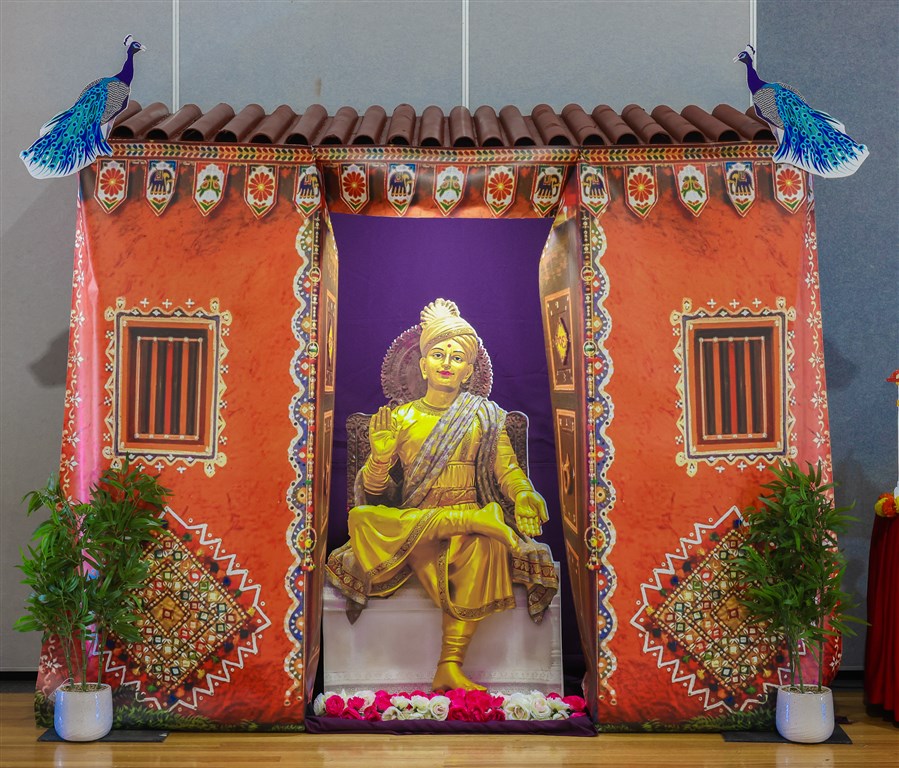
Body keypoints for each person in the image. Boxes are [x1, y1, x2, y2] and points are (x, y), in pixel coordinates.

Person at [326, 299, 557, 691]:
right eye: (438, 354)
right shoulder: (400, 418)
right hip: (418, 529)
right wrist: (380, 458)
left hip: (470, 534)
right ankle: (476, 520)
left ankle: (449, 665)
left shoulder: (486, 416)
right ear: (422, 365)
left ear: (468, 371)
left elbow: (508, 471)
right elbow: (373, 492)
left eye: (457, 357)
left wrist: (523, 494)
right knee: (362, 519)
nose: (447, 363)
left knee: (487, 547)